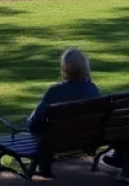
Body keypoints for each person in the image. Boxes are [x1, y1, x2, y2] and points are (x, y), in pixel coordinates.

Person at [26, 48, 102, 178]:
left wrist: (29, 121)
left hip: (56, 140)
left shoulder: (55, 92)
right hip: (88, 138)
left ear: (65, 68)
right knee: (49, 130)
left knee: (43, 129)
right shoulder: (93, 89)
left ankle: (44, 167)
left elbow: (34, 124)